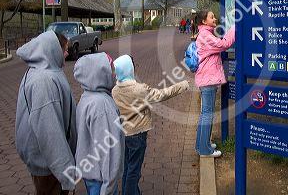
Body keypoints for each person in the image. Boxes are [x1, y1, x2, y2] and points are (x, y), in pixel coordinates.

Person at [112, 55, 190, 195]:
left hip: (123, 134)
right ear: (130, 69)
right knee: (134, 171)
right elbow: (162, 94)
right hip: (137, 134)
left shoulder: (115, 90)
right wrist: (182, 85)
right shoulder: (139, 89)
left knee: (128, 168)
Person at [15, 31, 77, 195]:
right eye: (64, 49)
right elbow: (49, 131)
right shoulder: (44, 81)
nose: (67, 53)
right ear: (52, 50)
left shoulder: (43, 72)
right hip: (50, 167)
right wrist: (66, 172)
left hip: (48, 164)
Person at [73, 53, 124, 195]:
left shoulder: (86, 97)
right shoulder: (102, 105)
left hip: (91, 174)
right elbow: (108, 150)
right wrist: (108, 187)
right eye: (111, 70)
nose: (114, 74)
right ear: (100, 73)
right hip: (102, 180)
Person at [194, 10, 235, 157]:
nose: (215, 18)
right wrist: (235, 27)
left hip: (206, 79)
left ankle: (201, 145)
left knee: (205, 114)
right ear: (204, 21)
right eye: (212, 17)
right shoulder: (206, 36)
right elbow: (225, 44)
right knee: (207, 114)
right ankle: (205, 150)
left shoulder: (204, 34)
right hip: (208, 79)